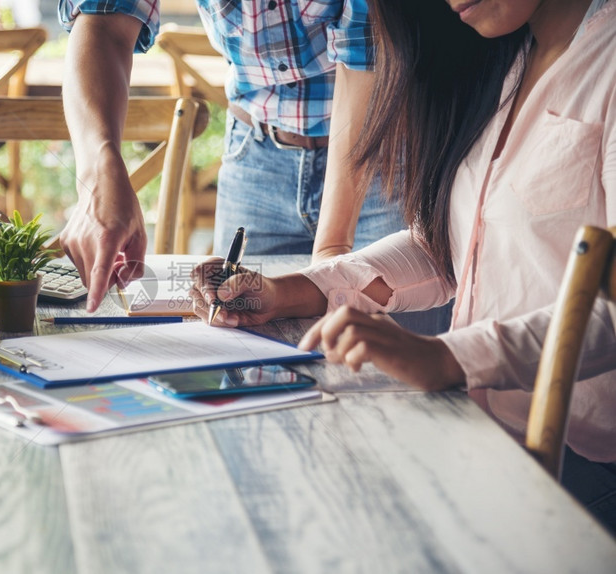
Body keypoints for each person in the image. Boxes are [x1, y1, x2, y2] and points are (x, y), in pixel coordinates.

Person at [191, 0, 616, 534]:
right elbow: (449, 245)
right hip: (480, 430)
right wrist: (291, 291)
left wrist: (450, 357)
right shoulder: (503, 56)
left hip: (581, 461)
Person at [57, 0, 409, 313]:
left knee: (397, 363)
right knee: (243, 339)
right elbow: (105, 21)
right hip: (255, 158)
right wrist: (99, 170)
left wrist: (331, 257)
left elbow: (366, 54)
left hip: (386, 154)